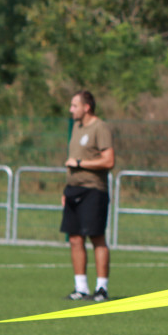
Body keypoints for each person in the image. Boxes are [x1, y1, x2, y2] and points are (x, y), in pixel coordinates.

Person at [60, 90, 115, 302]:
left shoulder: (100, 127)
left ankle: (101, 288)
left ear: (86, 107)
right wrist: (66, 189)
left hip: (94, 190)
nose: (71, 109)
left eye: (74, 105)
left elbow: (109, 161)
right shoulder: (76, 127)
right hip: (73, 190)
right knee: (74, 239)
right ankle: (80, 287)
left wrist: (81, 164)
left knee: (97, 238)